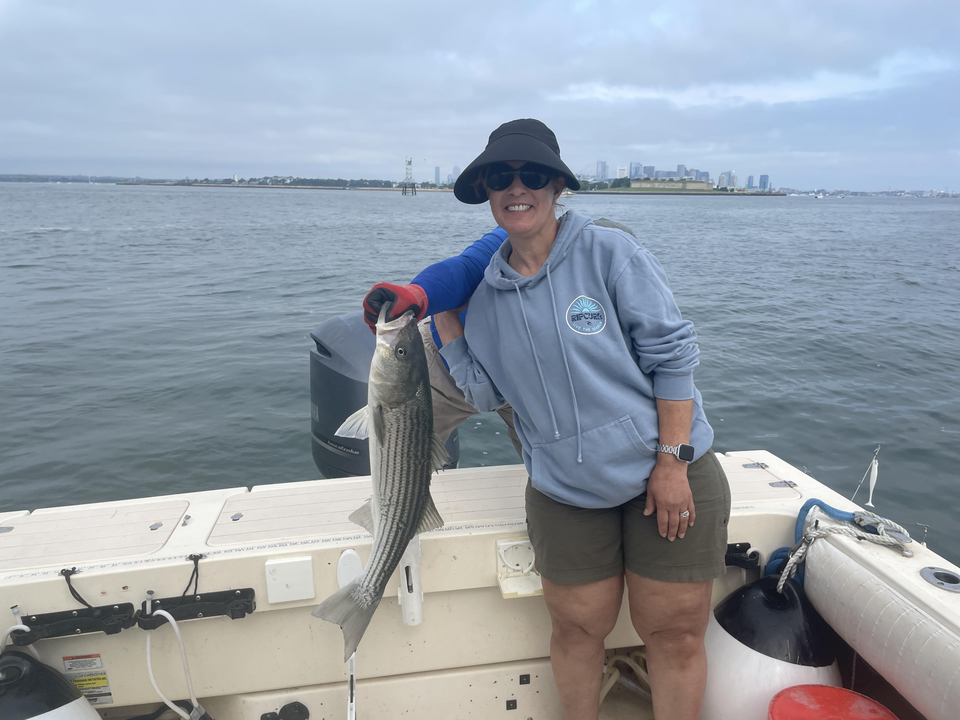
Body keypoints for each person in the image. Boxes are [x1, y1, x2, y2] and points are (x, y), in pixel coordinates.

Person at [432, 118, 730, 720]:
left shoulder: (610, 252)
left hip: (668, 470)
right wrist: (445, 318)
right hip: (566, 490)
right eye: (502, 177)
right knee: (575, 632)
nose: (518, 188)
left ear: (558, 186)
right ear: (487, 191)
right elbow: (488, 394)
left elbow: (672, 359)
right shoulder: (482, 296)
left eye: (533, 174)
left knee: (673, 633)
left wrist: (671, 463)